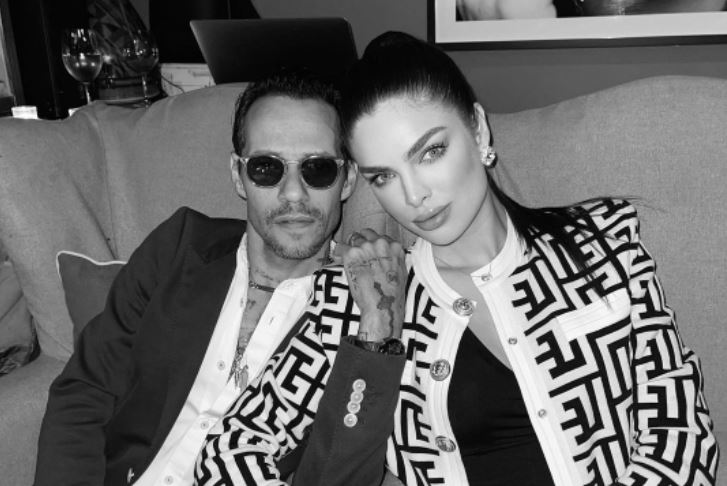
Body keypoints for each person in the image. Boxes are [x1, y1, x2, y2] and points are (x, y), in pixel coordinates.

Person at [195, 32, 720, 485]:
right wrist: (378, 331)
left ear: (478, 130)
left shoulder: (602, 242)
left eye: (430, 152)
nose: (414, 195)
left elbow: (681, 437)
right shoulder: (358, 300)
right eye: (384, 176)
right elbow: (229, 453)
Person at [34, 70, 406, 486]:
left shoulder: (359, 306)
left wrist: (379, 328)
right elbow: (86, 391)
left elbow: (344, 474)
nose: (294, 193)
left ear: (348, 179)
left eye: (317, 169)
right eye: (266, 168)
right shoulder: (179, 248)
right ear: (237, 174)